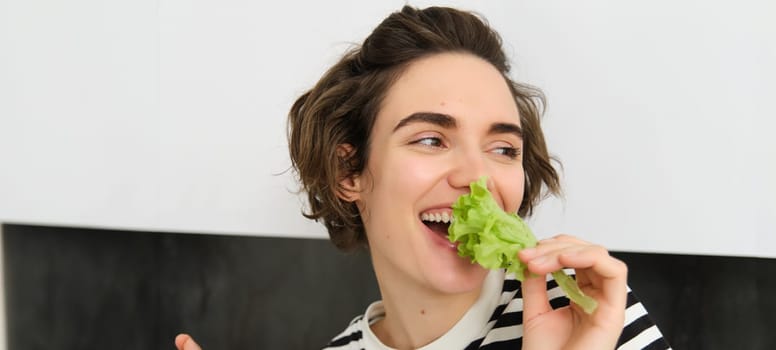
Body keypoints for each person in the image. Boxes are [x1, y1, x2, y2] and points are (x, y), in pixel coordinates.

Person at [176, 5, 669, 350]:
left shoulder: (589, 318)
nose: (478, 177)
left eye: (503, 149)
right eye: (431, 139)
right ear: (349, 172)